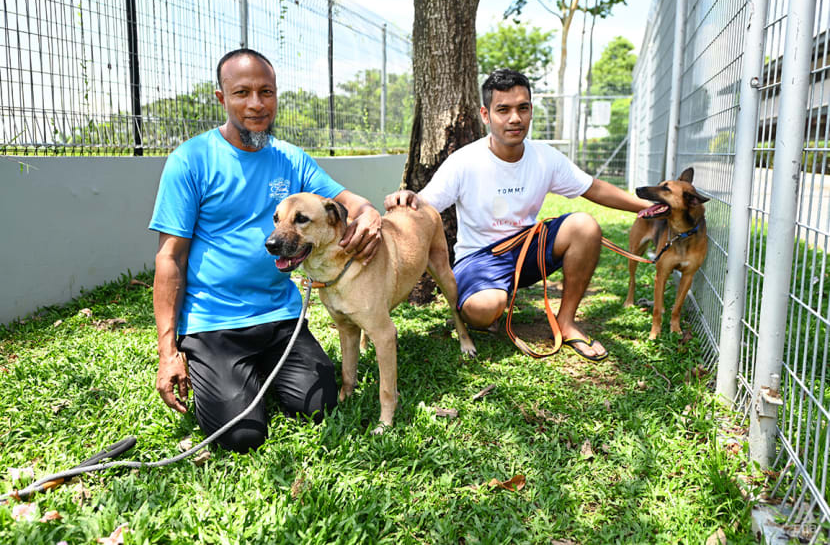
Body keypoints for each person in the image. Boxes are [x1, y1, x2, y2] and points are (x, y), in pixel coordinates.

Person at [149, 48, 382, 452]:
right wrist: (167, 351)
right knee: (241, 436)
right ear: (222, 99)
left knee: (320, 404)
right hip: (214, 324)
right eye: (242, 93)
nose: (256, 104)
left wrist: (371, 214)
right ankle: (231, 374)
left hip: (280, 317)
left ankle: (259, 371)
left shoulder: (291, 159)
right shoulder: (190, 160)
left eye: (266, 92)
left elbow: (351, 202)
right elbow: (170, 258)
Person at [385, 68, 651, 361]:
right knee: (483, 310)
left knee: (584, 226)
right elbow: (425, 204)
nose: (515, 118)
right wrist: (407, 199)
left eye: (522, 108)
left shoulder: (545, 157)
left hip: (527, 250)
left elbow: (593, 188)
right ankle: (489, 302)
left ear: (531, 111)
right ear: (486, 115)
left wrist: (646, 207)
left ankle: (566, 322)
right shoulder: (464, 161)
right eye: (504, 110)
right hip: (479, 258)